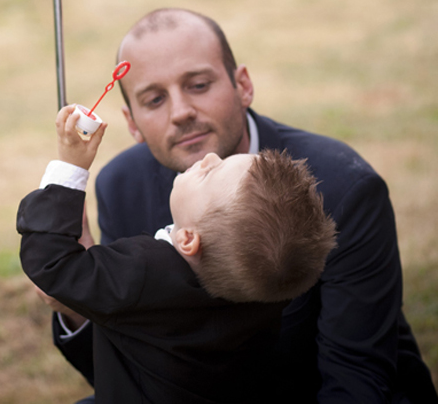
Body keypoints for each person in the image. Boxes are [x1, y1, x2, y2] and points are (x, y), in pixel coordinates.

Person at [47, 8, 437, 404]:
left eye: (198, 85)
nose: (181, 112)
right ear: (132, 123)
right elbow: (132, 367)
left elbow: (356, 375)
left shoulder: (343, 188)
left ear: (243, 85)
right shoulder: (120, 185)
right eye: (155, 99)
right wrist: (76, 304)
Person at [18, 103, 336, 404]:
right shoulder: (258, 288)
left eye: (211, 173)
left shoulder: (145, 272)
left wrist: (70, 168)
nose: (210, 157)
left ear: (187, 240)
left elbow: (52, 263)